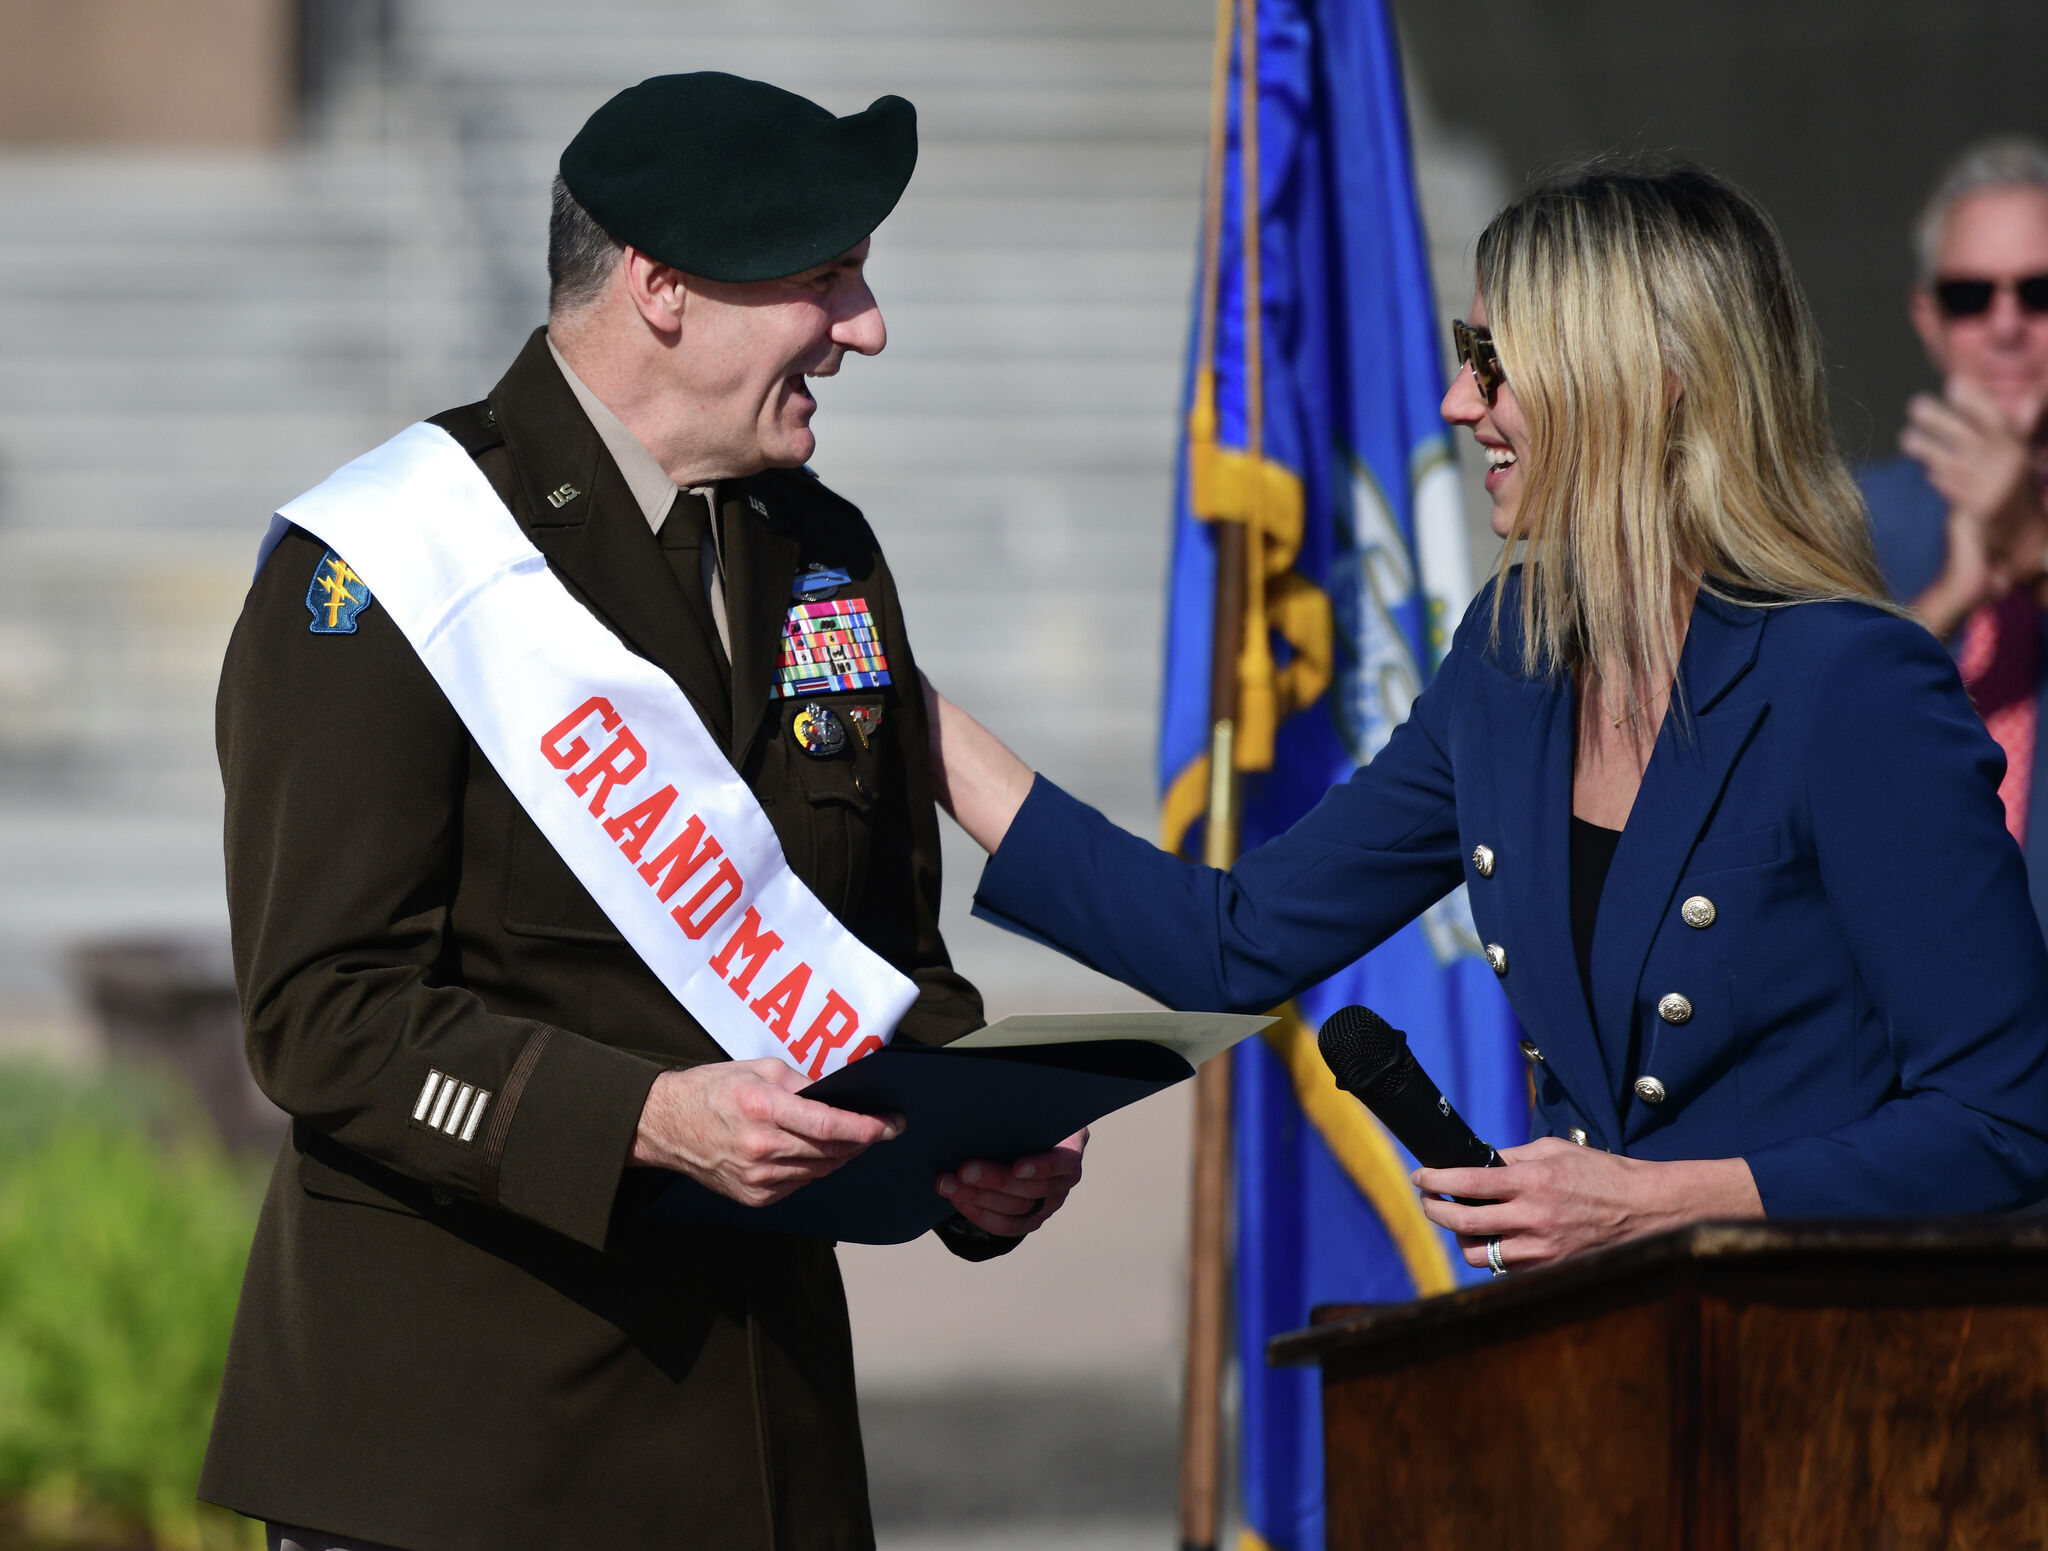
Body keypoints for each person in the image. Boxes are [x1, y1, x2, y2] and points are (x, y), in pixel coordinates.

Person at [201, 73, 1083, 1551]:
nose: (866, 326)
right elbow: (322, 1013)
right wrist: (649, 1120)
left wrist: (967, 1152)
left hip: (762, 1445)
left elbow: (880, 953)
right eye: (823, 279)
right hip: (466, 1456)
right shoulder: (389, 563)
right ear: (664, 290)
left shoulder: (823, 555)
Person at [926, 159, 2048, 1279]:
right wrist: (912, 718)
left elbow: (2006, 1123)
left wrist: (1662, 1203)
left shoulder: (1848, 678)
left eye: (1493, 364)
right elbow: (1228, 942)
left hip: (1826, 1387)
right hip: (1594, 1381)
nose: (1459, 404)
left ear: (1645, 379)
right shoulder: (1509, 653)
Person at [1861, 136, 2048, 939]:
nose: (2006, 326)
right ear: (1928, 318)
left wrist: (2033, 550)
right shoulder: (1846, 520)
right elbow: (1778, 762)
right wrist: (1950, 601)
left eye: (2039, 292)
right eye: (1972, 296)